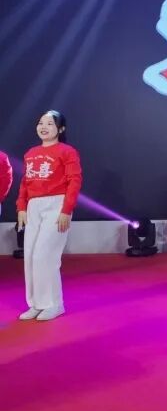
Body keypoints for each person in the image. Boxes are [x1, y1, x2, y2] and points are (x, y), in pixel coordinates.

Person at [16, 111, 82, 321]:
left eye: (50, 124)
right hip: (33, 206)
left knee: (45, 256)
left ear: (60, 129)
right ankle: (36, 304)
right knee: (30, 256)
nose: (43, 127)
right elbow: (25, 182)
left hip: (56, 204)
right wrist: (21, 207)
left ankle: (54, 304)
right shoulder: (31, 153)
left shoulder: (67, 151)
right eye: (41, 123)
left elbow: (74, 181)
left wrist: (66, 210)